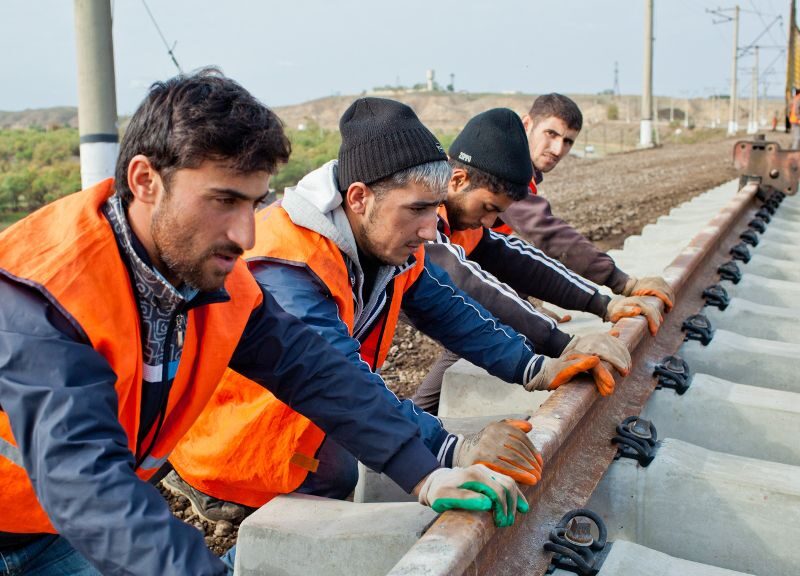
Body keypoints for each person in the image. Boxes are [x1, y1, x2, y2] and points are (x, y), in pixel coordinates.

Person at [0, 72, 525, 576]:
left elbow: (313, 371)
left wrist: (425, 470)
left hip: (50, 524)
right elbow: (88, 485)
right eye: (224, 200)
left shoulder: (208, 275)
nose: (245, 234)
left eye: (254, 202)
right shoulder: (46, 293)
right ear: (145, 182)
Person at [165, 98, 608, 541]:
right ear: (359, 198)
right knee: (295, 543)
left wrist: (536, 366)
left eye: (435, 209)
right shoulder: (288, 264)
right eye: (416, 209)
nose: (429, 229)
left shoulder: (387, 243)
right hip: (246, 449)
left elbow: (449, 310)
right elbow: (337, 375)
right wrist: (450, 450)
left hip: (312, 431)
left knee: (331, 493)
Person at [415, 96, 674, 411]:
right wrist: (562, 343)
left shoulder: (464, 209)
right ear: (457, 180)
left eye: (567, 141)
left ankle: (412, 434)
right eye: (487, 209)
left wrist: (604, 304)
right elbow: (468, 282)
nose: (488, 222)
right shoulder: (420, 221)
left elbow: (516, 257)